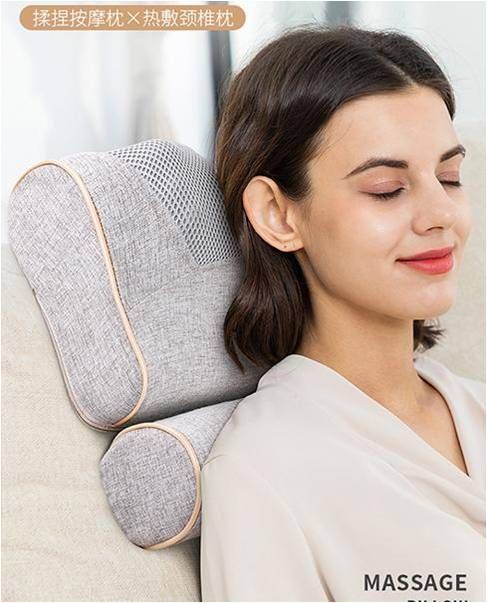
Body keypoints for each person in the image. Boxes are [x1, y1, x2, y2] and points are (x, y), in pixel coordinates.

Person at [199, 24, 485, 602]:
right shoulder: (264, 471)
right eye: (386, 189)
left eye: (449, 177)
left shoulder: (476, 407)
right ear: (278, 214)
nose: (441, 214)